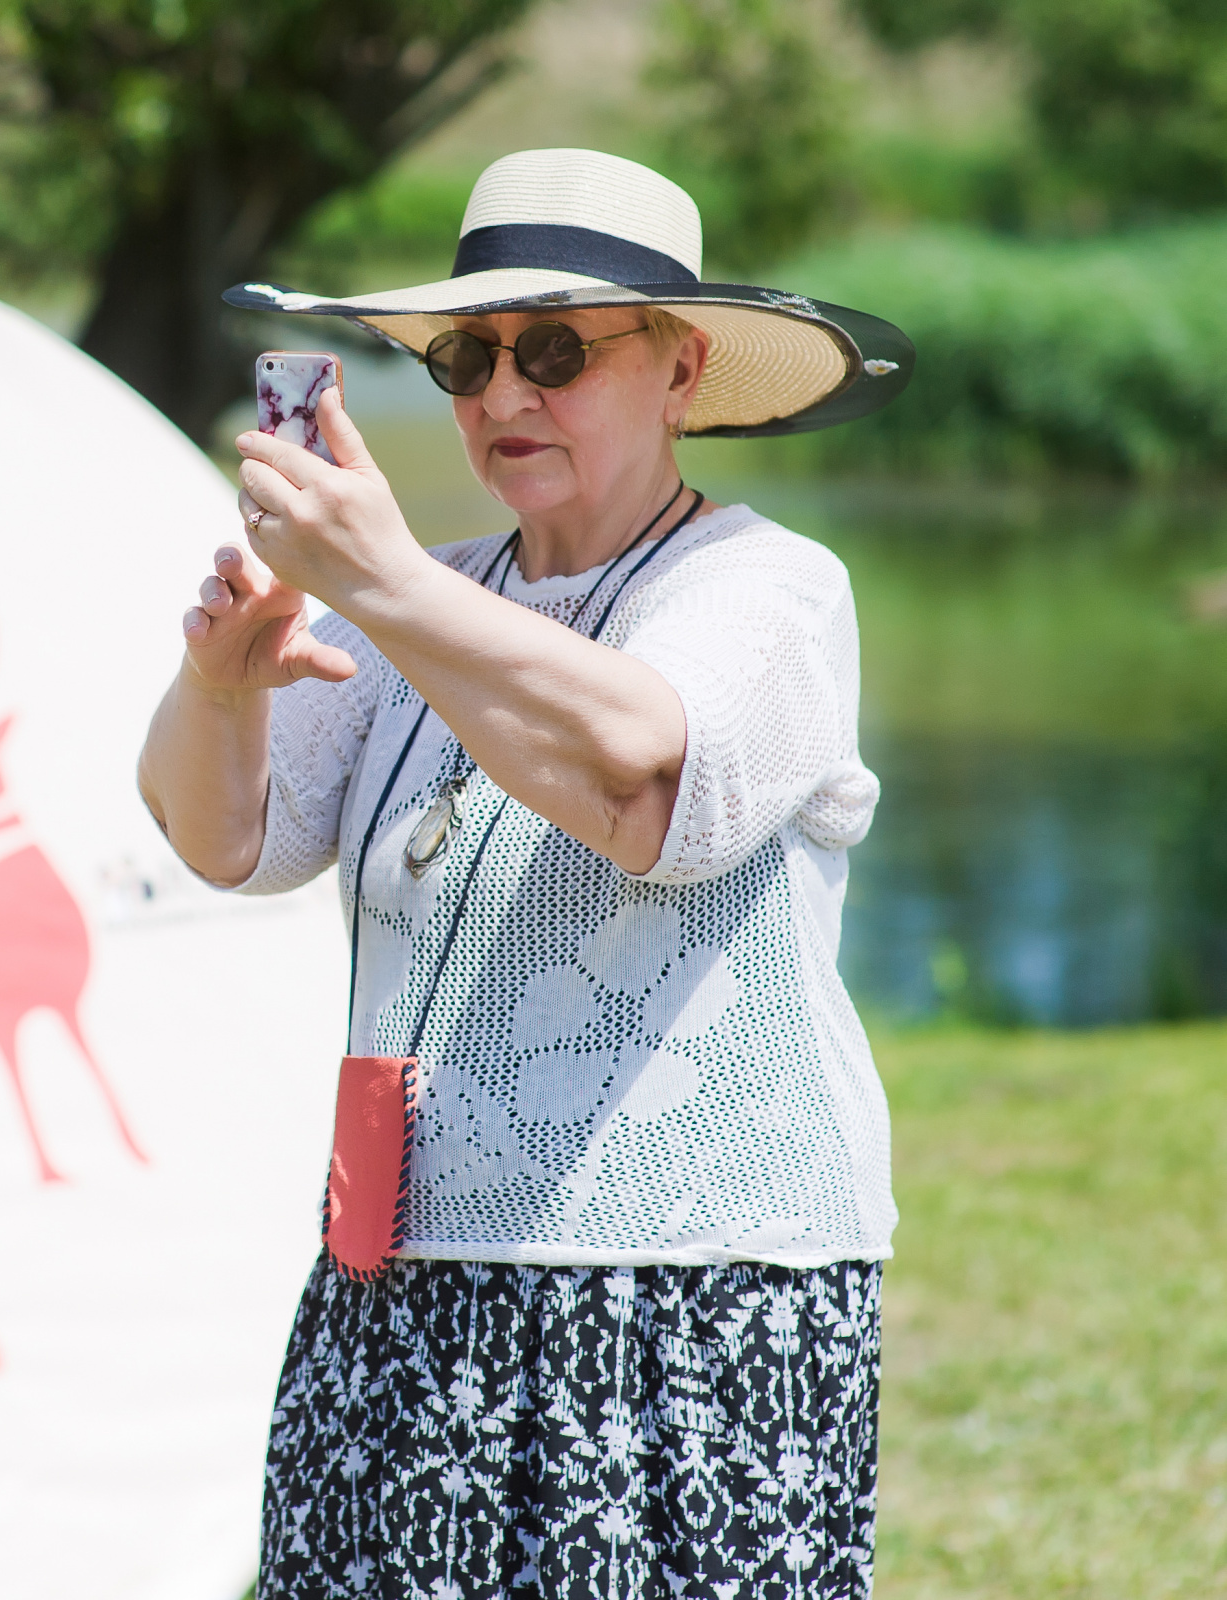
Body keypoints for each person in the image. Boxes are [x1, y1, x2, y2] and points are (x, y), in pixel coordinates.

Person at [137, 148, 914, 1597]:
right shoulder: (422, 599)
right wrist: (220, 685)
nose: (502, 396)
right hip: (399, 1281)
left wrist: (381, 582)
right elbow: (219, 840)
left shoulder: (766, 586)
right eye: (465, 357)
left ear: (679, 371)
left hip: (690, 1296)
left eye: (553, 352)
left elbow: (638, 780)